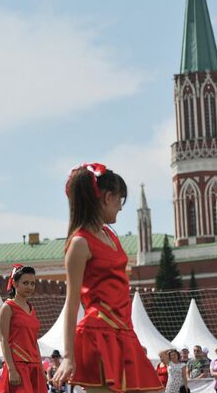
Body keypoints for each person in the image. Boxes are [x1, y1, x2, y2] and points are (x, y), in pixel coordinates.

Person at [51, 164, 162, 393]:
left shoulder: (111, 235)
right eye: (120, 200)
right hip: (97, 337)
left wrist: (130, 336)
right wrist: (68, 357)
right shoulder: (80, 243)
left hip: (124, 334)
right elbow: (72, 303)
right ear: (107, 197)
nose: (120, 208)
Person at [0, 264, 46, 393]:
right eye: (25, 283)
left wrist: (41, 368)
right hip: (18, 366)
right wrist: (11, 369)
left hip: (35, 366)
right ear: (14, 283)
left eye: (32, 283)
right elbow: (3, 339)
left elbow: (34, 341)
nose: (30, 287)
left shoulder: (32, 309)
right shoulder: (7, 307)